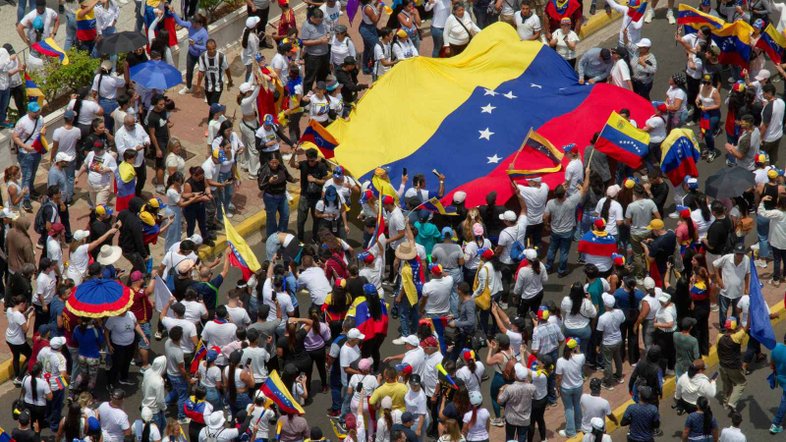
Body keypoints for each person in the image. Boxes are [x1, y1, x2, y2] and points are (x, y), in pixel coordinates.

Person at [714, 244, 750, 331]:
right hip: (725, 292)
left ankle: (734, 327)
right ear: (734, 253)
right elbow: (715, 265)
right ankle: (723, 329)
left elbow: (747, 274)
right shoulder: (727, 258)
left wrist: (746, 287)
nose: (740, 256)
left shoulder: (746, 260)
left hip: (738, 292)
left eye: (741, 254)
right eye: (738, 254)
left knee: (736, 312)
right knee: (723, 312)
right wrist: (718, 279)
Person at [497, 363, 536, 442]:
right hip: (524, 419)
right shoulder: (532, 387)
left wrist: (501, 390)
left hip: (511, 419)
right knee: (522, 438)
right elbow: (535, 396)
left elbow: (499, 401)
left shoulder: (509, 389)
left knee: (510, 438)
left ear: (516, 376)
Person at [556, 338, 585, 438]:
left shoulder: (560, 361)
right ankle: (579, 426)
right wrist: (578, 349)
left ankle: (570, 431)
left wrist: (557, 387)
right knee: (577, 405)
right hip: (578, 386)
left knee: (569, 408)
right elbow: (580, 355)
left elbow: (559, 377)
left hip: (566, 388)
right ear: (575, 348)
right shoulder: (581, 357)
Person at [301, 8, 331, 92]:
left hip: (324, 54)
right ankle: (307, 98)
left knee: (322, 76)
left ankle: (320, 93)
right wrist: (320, 41)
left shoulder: (323, 21)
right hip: (313, 57)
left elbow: (328, 32)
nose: (320, 23)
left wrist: (328, 36)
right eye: (318, 21)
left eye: (321, 21)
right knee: (310, 78)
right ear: (312, 18)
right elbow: (305, 42)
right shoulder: (306, 26)